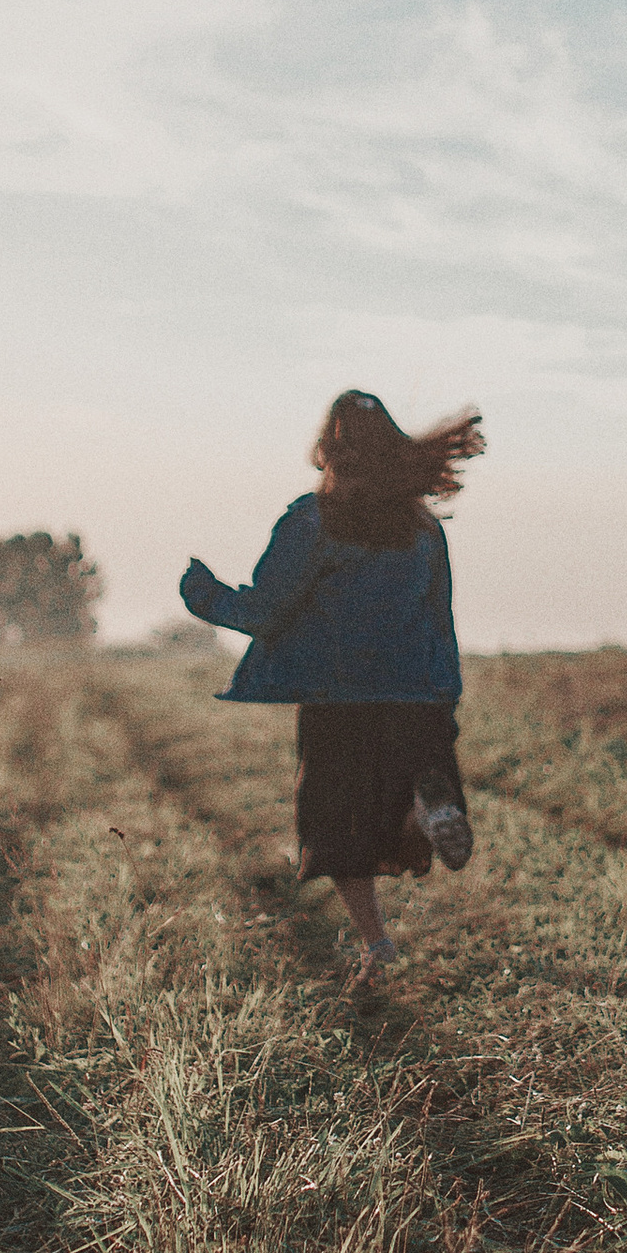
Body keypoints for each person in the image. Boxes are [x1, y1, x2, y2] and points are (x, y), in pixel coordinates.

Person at [179, 391, 483, 989]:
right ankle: (426, 811)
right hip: (418, 696)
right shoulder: (423, 529)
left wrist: (204, 596)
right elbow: (438, 619)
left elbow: (266, 611)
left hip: (339, 699)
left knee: (337, 830)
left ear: (330, 448)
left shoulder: (314, 520)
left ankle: (376, 944)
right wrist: (444, 700)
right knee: (398, 796)